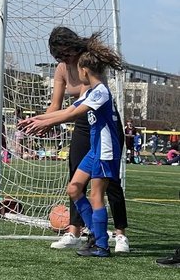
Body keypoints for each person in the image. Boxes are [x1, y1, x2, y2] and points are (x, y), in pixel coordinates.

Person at [22, 31, 124, 257]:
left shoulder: (100, 93)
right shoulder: (91, 92)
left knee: (97, 195)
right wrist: (36, 120)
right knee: (74, 188)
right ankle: (96, 236)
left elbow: (72, 114)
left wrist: (44, 123)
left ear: (85, 71)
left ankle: (103, 245)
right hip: (95, 148)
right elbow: (67, 109)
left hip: (105, 149)